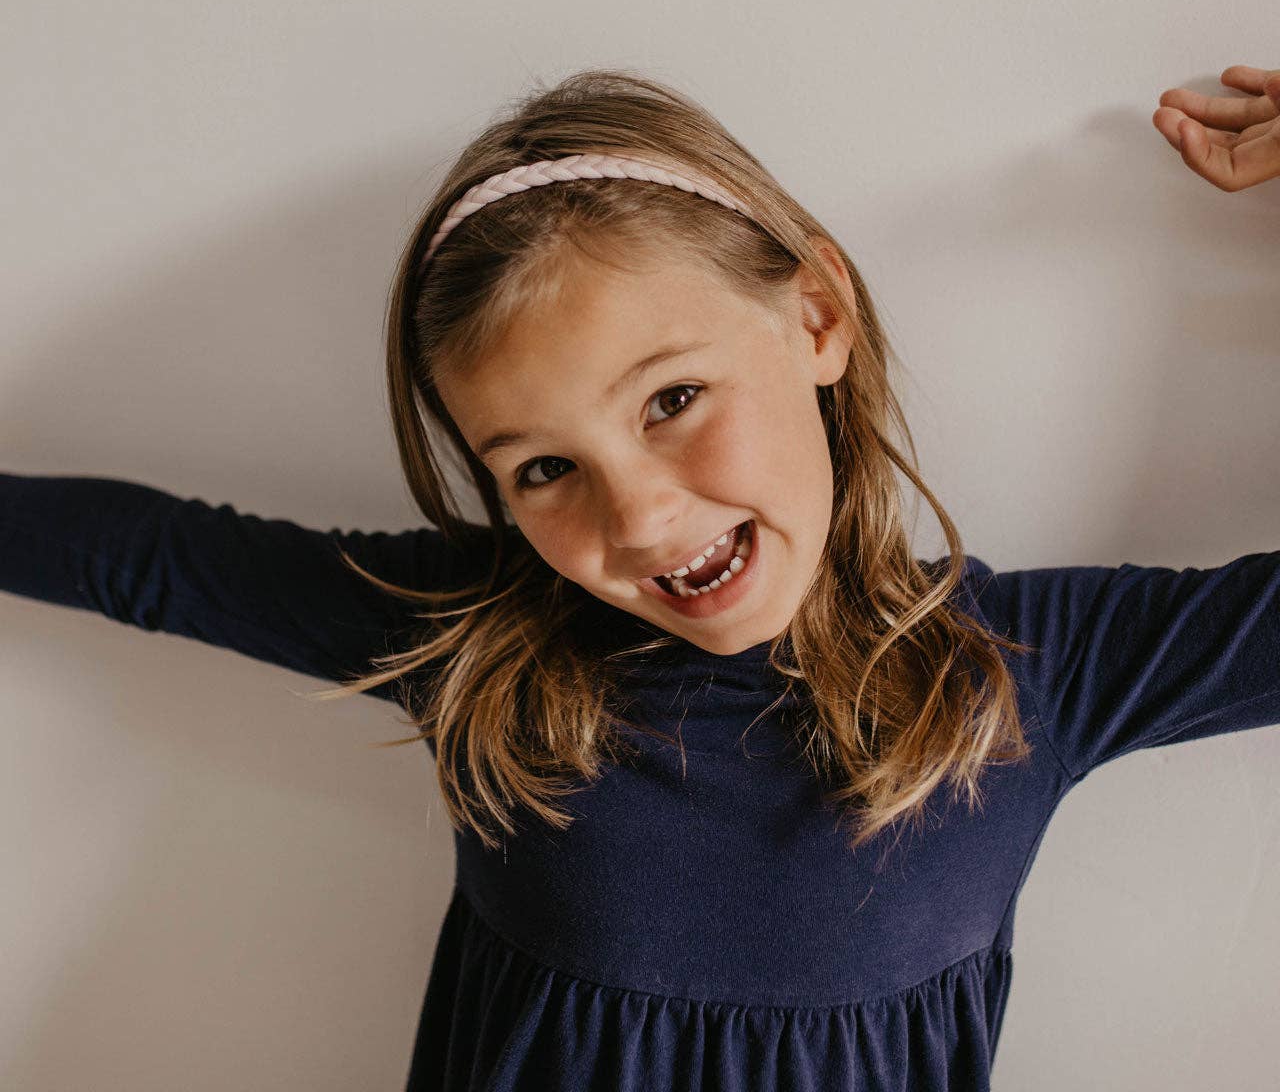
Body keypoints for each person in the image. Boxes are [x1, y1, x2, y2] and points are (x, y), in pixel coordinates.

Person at [1, 64, 1277, 1092]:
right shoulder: (479, 634)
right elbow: (152, 556)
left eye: (671, 398)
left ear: (816, 317)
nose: (642, 514)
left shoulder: (1029, 669)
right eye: (544, 466)